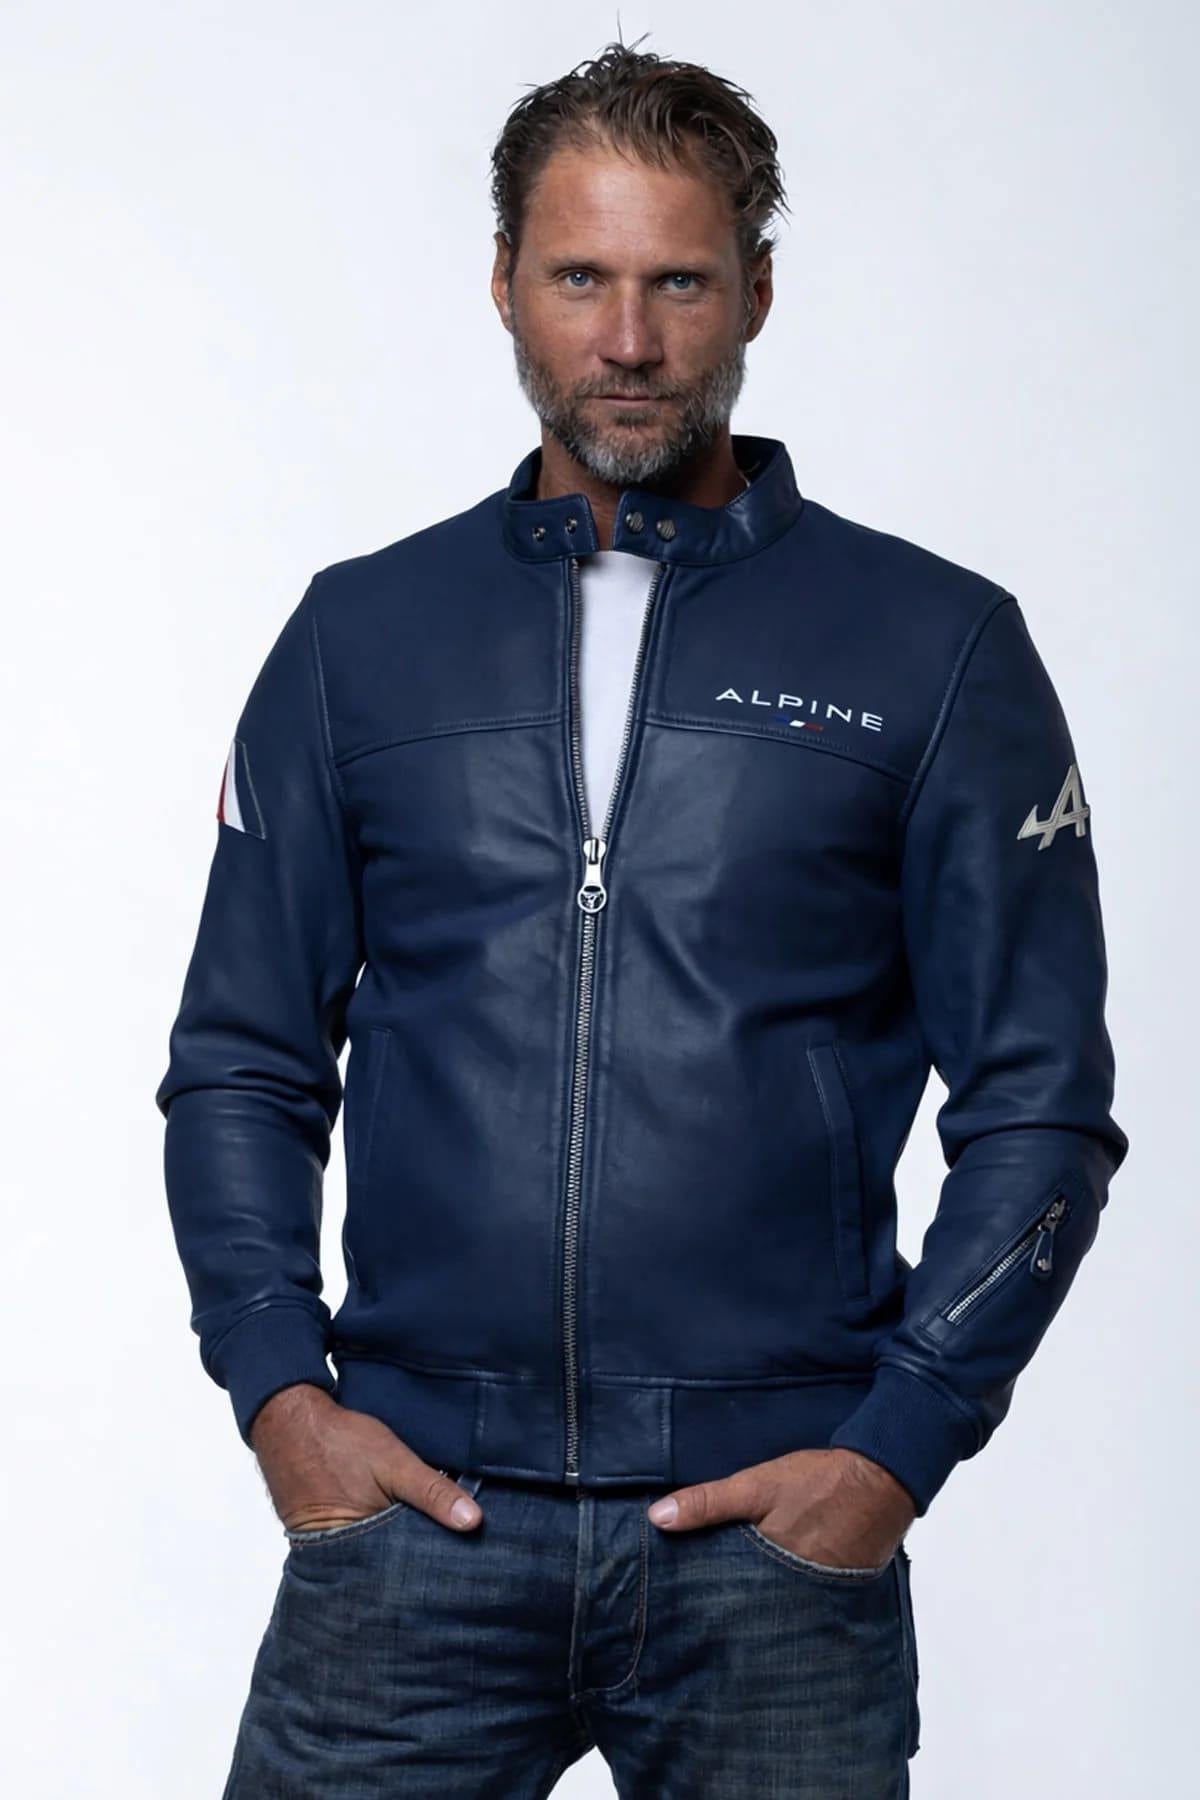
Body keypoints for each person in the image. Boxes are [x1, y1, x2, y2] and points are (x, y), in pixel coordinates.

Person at [155, 36, 1128, 1799]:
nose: (625, 339)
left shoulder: (934, 647)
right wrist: (281, 1396)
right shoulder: (359, 639)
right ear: (504, 285)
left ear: (756, 291)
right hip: (415, 1526)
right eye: (578, 277)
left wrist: (896, 1449)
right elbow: (241, 1059)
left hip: (770, 1545)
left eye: (678, 281)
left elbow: (1043, 1105)